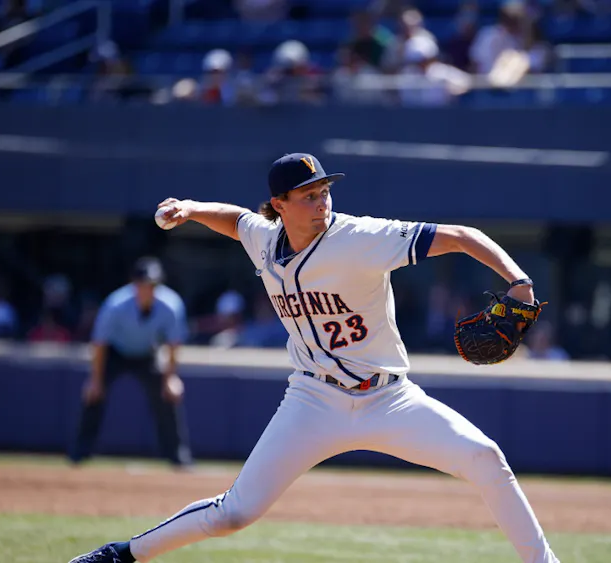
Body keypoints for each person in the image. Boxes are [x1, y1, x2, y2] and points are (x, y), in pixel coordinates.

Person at [68, 153, 560, 563]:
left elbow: (459, 236)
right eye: (308, 195)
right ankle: (120, 556)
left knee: (486, 458)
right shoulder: (265, 238)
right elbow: (237, 221)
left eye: (324, 190)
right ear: (279, 206)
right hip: (312, 399)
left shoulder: (361, 238)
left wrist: (520, 281)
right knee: (234, 513)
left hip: (390, 399)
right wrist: (193, 208)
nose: (322, 201)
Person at [67, 257, 194, 469]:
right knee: (94, 396)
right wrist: (95, 380)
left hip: (147, 352)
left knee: (167, 398)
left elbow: (173, 344)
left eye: (153, 285)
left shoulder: (171, 305)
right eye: (144, 284)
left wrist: (171, 377)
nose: (148, 290)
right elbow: (99, 344)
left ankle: (178, 456)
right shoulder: (115, 304)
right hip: (115, 352)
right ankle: (79, 454)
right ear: (134, 283)